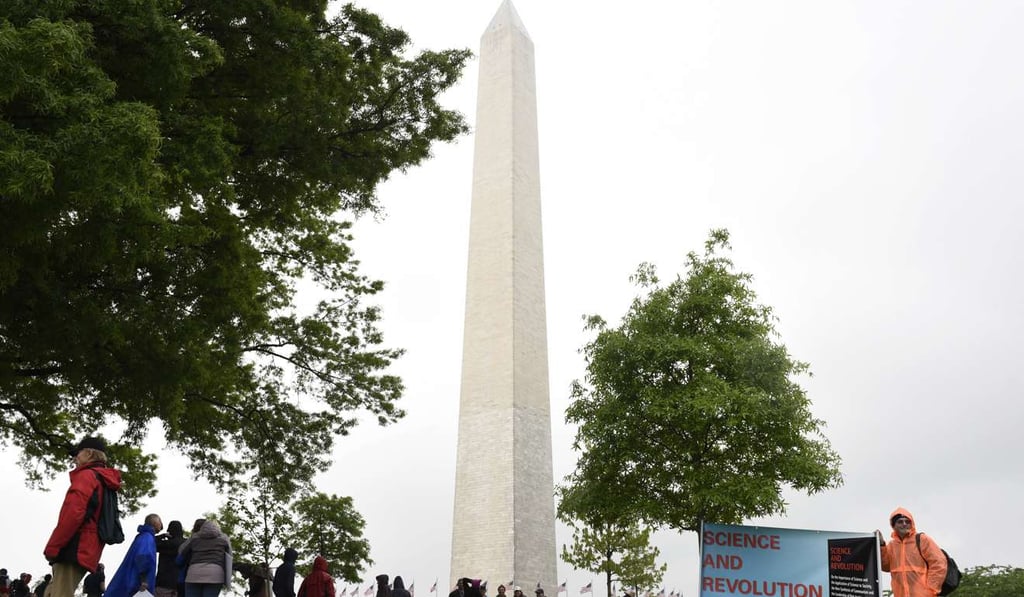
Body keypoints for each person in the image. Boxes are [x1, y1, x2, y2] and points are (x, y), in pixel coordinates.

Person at [43, 436, 123, 597]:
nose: (75, 457)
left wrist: (53, 546)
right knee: (51, 592)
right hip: (89, 547)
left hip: (73, 546)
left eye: (78, 453)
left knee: (59, 593)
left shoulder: (86, 476)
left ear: (89, 454)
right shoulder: (104, 480)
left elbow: (73, 514)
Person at [878, 507, 947, 597]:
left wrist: (932, 590)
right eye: (900, 521)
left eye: (907, 521)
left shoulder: (922, 539)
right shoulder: (892, 545)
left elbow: (939, 564)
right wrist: (881, 545)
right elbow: (886, 566)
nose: (904, 524)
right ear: (893, 525)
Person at [106, 514, 163, 597]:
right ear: (154, 522)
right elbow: (143, 557)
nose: (161, 525)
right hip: (137, 583)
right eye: (160, 521)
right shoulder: (148, 538)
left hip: (133, 580)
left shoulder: (143, 536)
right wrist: (144, 579)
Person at [178, 520, 231, 597]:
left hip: (194, 573)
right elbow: (229, 556)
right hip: (215, 574)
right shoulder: (224, 538)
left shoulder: (195, 537)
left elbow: (181, 550)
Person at [156, 521, 186, 597]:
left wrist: (162, 536)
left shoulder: (166, 544)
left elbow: (152, 542)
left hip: (163, 582)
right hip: (181, 582)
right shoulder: (186, 544)